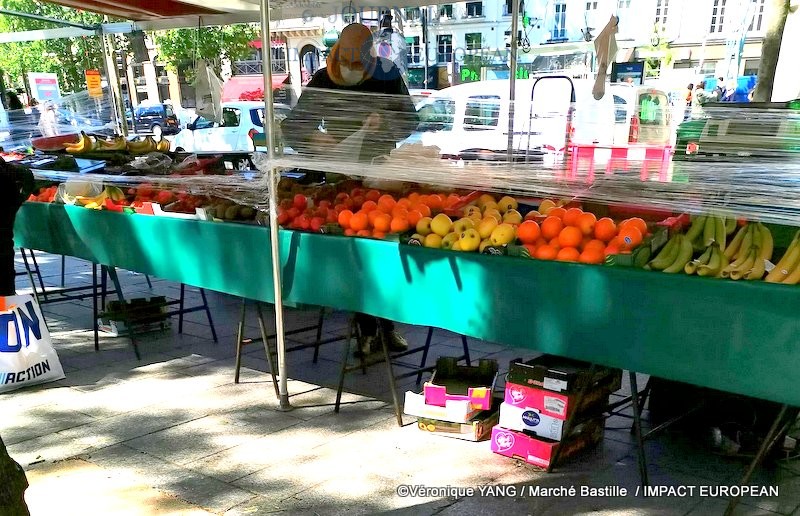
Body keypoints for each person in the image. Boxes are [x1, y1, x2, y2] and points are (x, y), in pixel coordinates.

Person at [282, 23, 419, 355]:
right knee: (355, 257)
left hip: (382, 177)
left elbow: (410, 120)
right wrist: (315, 138)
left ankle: (387, 323)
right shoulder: (323, 80)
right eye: (346, 61)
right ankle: (366, 328)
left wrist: (384, 122)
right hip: (340, 179)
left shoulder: (387, 75)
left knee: (383, 252)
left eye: (358, 63)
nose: (351, 69)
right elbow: (294, 126)